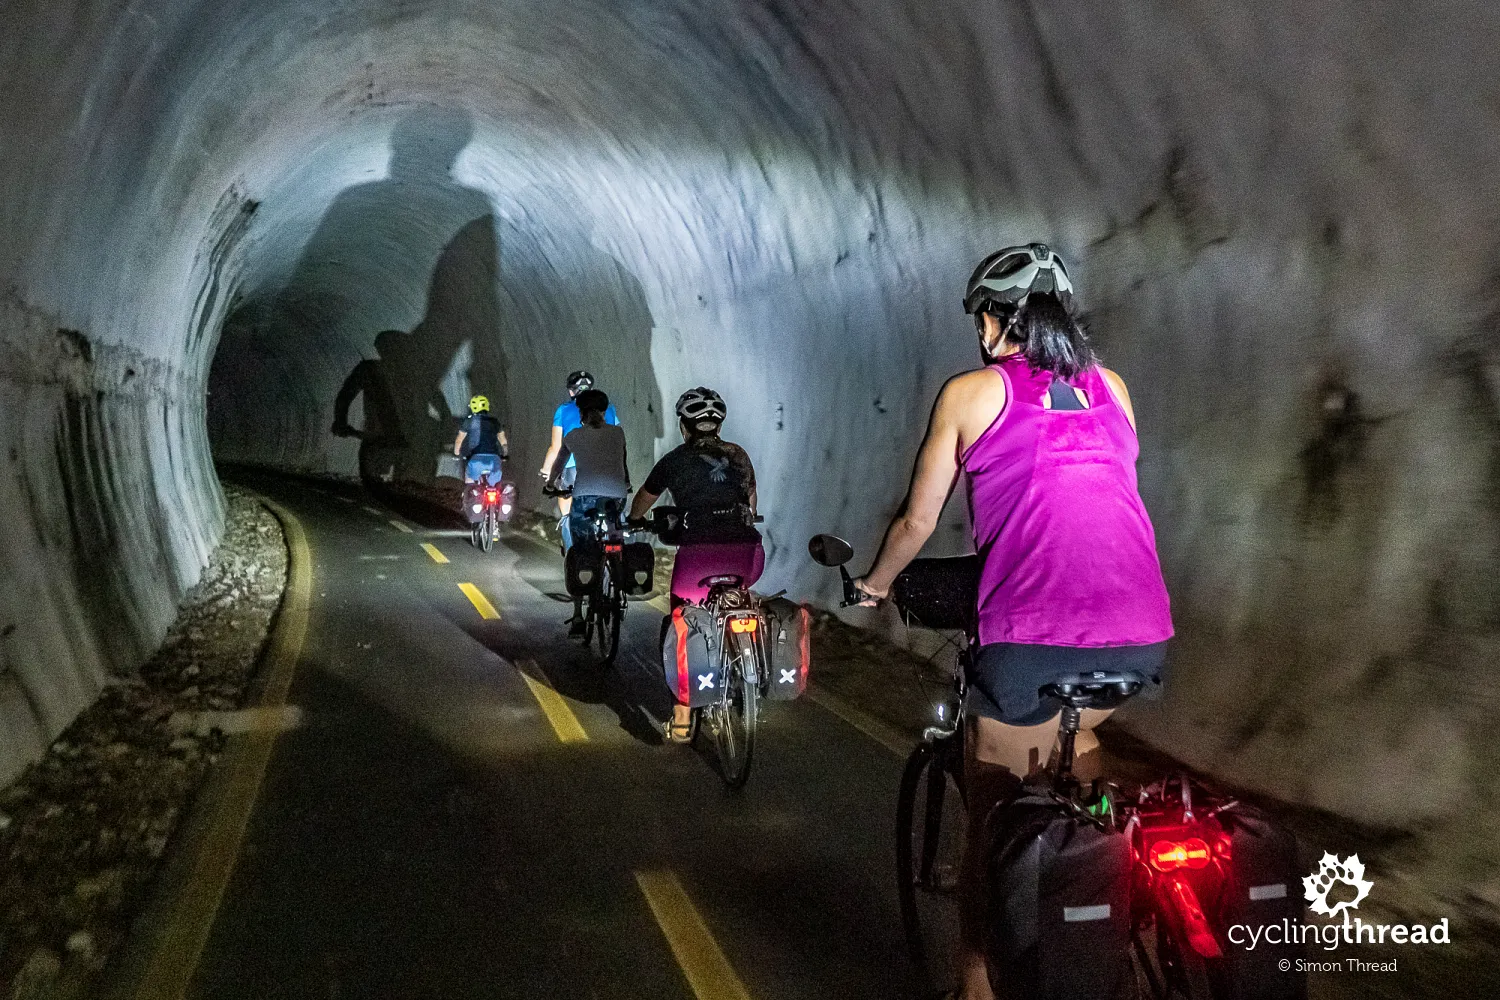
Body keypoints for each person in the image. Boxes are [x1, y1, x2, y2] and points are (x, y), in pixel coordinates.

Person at [851, 243, 1173, 1000]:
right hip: (1144, 630)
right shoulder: (1112, 386)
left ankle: (976, 984)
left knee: (991, 814)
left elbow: (917, 520)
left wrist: (873, 585)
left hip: (1028, 635)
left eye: (980, 317)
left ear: (995, 321)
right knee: (1080, 732)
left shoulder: (971, 393)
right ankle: (1106, 887)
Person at [629, 387, 762, 744]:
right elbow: (750, 503)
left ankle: (683, 718)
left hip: (697, 558)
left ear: (684, 426)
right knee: (739, 593)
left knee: (679, 619)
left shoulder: (674, 460)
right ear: (718, 425)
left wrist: (634, 518)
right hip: (747, 555)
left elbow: (645, 497)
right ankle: (741, 650)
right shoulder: (739, 456)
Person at [545, 389, 630, 636]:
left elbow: (559, 465)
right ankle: (617, 575)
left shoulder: (573, 436)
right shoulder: (618, 433)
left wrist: (551, 485)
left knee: (579, 550)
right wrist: (626, 483)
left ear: (580, 413)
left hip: (585, 499)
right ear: (604, 413)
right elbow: (622, 465)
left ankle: (578, 614)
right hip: (616, 497)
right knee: (615, 538)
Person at [540, 370, 620, 517]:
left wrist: (547, 471)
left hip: (574, 469)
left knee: (567, 498)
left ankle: (567, 523)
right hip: (610, 470)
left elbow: (556, 447)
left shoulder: (564, 411)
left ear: (572, 392)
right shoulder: (610, 408)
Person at [453, 394, 508, 485]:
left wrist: (457, 453)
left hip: (475, 459)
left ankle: (470, 494)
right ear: (486, 406)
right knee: (496, 483)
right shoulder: (494, 422)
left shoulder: (468, 422)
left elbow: (459, 440)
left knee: (470, 479)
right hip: (494, 459)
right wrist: (505, 454)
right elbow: (503, 440)